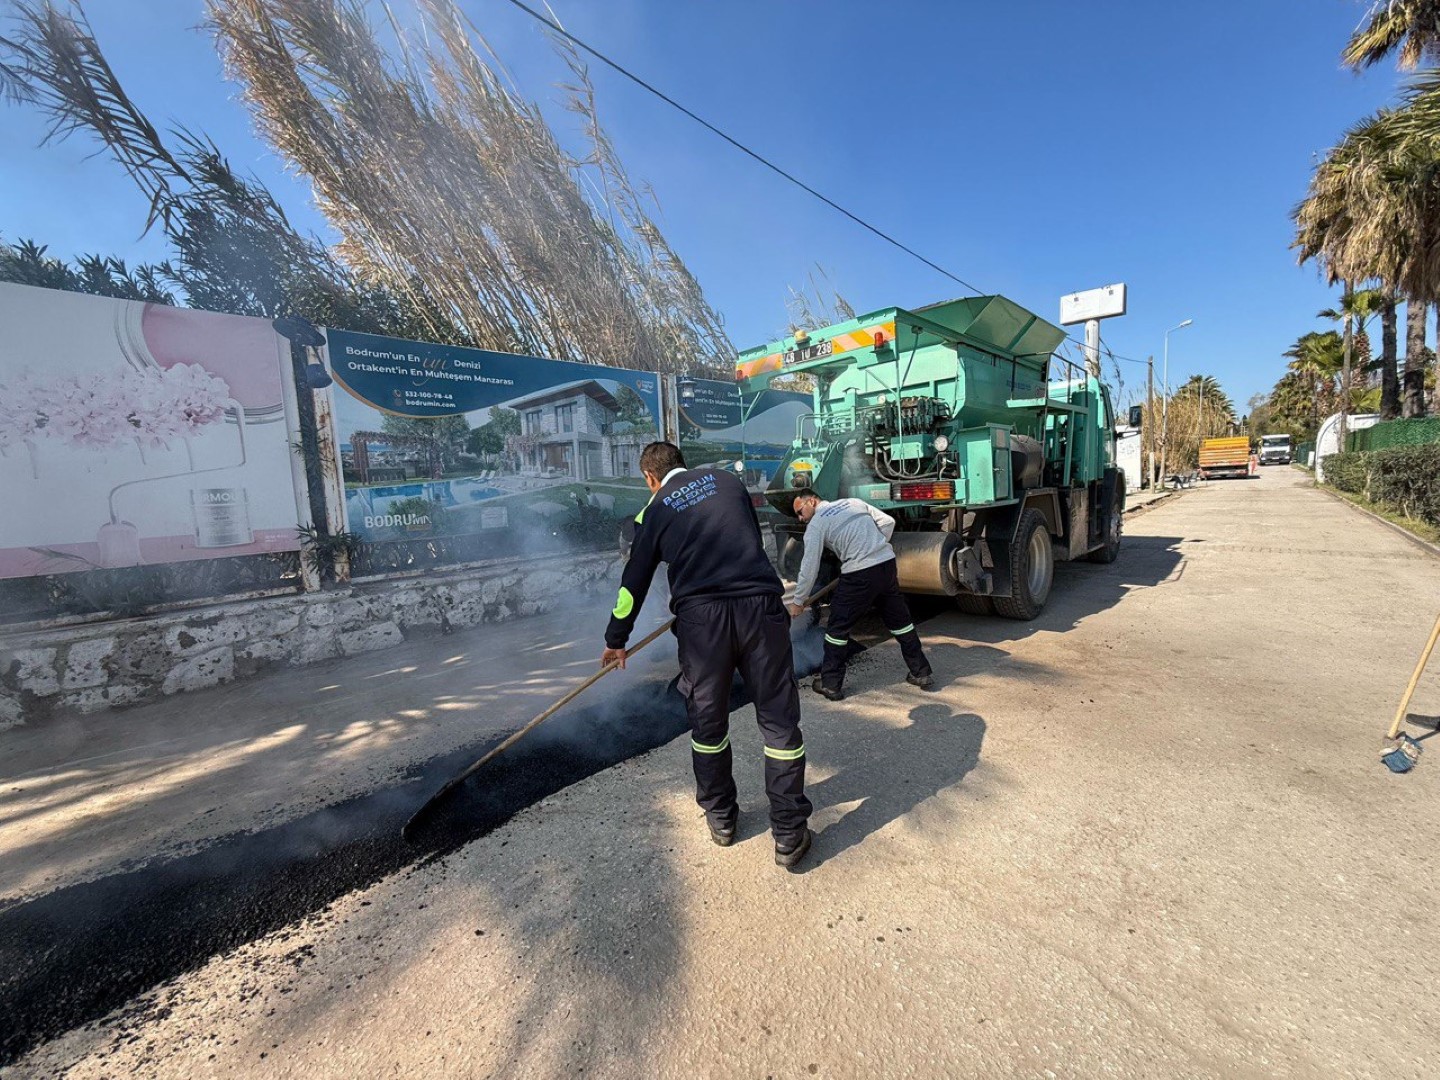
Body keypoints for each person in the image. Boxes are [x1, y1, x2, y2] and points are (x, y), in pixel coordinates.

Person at [602, 442, 813, 868]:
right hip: (760, 610)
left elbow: (633, 581)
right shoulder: (729, 482)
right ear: (682, 463)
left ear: (650, 478)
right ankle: (790, 833)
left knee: (708, 724)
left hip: (702, 625)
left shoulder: (656, 508)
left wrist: (616, 637)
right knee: (779, 722)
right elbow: (746, 537)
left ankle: (722, 818)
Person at [786, 490, 934, 701]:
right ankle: (921, 671)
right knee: (900, 621)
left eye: (800, 512)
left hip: (859, 574)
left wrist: (798, 601)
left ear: (811, 501)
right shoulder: (852, 503)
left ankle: (830, 684)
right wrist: (873, 547)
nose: (800, 518)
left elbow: (809, 567)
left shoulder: (817, 524)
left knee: (837, 628)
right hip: (886, 565)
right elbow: (888, 522)